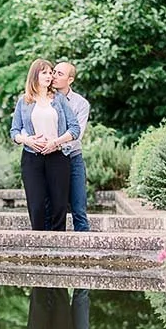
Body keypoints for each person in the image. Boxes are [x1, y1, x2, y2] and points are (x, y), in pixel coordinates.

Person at [9, 59, 81, 231]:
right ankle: (38, 247)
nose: (49, 76)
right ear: (35, 75)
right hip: (32, 159)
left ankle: (58, 249)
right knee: (37, 205)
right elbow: (14, 131)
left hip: (57, 157)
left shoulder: (59, 100)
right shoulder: (24, 101)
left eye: (51, 72)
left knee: (59, 205)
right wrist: (28, 140)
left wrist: (56, 142)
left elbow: (75, 128)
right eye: (45, 73)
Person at [51, 62, 92, 232]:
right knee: (52, 207)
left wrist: (56, 144)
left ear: (70, 80)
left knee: (79, 207)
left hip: (72, 156)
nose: (54, 76)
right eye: (53, 72)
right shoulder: (45, 98)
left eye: (59, 74)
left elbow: (77, 135)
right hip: (49, 158)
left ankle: (86, 249)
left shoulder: (81, 104)